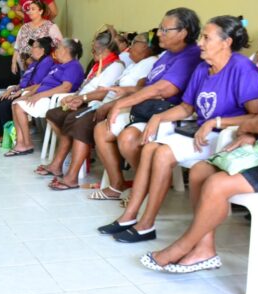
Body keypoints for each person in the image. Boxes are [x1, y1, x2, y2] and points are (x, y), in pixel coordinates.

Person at [98, 15, 258, 243]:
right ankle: (130, 216)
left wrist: (217, 122)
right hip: (201, 135)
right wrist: (158, 117)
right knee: (148, 148)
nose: (200, 43)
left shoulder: (242, 68)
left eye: (207, 38)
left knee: (162, 152)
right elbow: (187, 107)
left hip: (227, 138)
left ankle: (146, 223)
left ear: (226, 42)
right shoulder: (202, 68)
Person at [141, 100, 258, 272]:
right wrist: (251, 132)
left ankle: (181, 247)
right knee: (199, 171)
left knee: (216, 185)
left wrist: (249, 126)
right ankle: (205, 249)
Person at [91, 7, 203, 201]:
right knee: (102, 129)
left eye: (165, 30)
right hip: (148, 109)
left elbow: (164, 89)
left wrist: (121, 103)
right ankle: (118, 184)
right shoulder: (167, 54)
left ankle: (147, 189)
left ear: (183, 32)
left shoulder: (190, 55)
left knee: (127, 138)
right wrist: (126, 92)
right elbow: (149, 85)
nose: (159, 33)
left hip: (170, 114)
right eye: (160, 28)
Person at [43, 30, 161, 192]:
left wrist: (92, 102)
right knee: (70, 117)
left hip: (119, 108)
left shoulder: (149, 62)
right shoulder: (134, 64)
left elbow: (139, 89)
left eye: (136, 43)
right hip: (104, 105)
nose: (130, 47)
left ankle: (72, 176)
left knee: (79, 121)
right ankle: (64, 165)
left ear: (149, 47)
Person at [41, 31, 128, 189]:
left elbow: (102, 93)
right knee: (54, 114)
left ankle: (72, 176)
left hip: (98, 106)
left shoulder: (115, 66)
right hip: (85, 102)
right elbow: (86, 87)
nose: (92, 51)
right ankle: (59, 162)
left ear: (102, 49)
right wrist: (74, 96)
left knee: (76, 122)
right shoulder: (98, 65)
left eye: (94, 49)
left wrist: (82, 99)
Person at [5, 38, 85, 157]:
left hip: (53, 100)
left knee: (18, 106)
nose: (55, 50)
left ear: (66, 50)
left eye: (58, 48)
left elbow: (65, 88)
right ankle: (21, 142)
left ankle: (27, 144)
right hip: (43, 96)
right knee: (15, 103)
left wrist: (39, 95)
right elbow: (42, 84)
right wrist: (29, 93)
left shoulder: (73, 66)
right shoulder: (58, 65)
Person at [0, 37, 54, 143]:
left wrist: (20, 91)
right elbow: (24, 81)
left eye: (33, 47)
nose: (31, 50)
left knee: (5, 104)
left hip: (31, 93)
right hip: (22, 89)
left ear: (42, 49)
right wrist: (13, 88)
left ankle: (11, 138)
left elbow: (38, 84)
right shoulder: (34, 63)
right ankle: (2, 135)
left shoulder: (47, 62)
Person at [11, 0, 62, 75]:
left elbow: (60, 45)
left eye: (33, 9)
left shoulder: (49, 26)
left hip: (42, 70)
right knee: (24, 85)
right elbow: (17, 46)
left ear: (40, 11)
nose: (30, 12)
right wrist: (13, 62)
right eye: (29, 9)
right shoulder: (24, 27)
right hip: (24, 69)